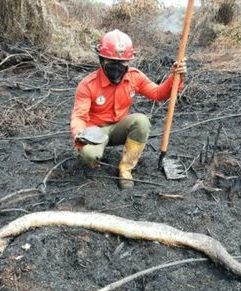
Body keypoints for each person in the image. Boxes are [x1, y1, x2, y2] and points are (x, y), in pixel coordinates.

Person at [70, 29, 187, 190]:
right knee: (89, 155)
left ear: (129, 61)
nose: (117, 67)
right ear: (101, 59)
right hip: (95, 131)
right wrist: (79, 135)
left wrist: (175, 77)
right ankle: (92, 156)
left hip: (119, 128)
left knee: (141, 121)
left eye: (123, 62)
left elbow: (158, 93)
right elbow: (79, 116)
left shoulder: (134, 77)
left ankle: (125, 169)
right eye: (111, 62)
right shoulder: (87, 85)